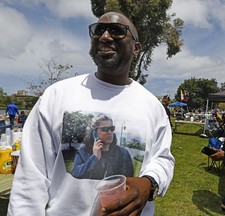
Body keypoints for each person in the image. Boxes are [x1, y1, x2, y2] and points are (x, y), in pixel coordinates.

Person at [8, 11, 174, 216]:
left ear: (136, 49)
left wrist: (150, 183)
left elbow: (163, 158)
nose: (104, 36)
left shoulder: (152, 107)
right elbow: (30, 180)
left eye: (117, 31)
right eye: (98, 30)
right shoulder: (57, 96)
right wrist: (94, 157)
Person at [71, 114, 134, 179]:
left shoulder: (123, 153)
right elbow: (75, 174)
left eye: (111, 128)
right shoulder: (84, 151)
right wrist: (94, 158)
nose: (109, 132)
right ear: (94, 133)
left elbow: (129, 179)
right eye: (104, 129)